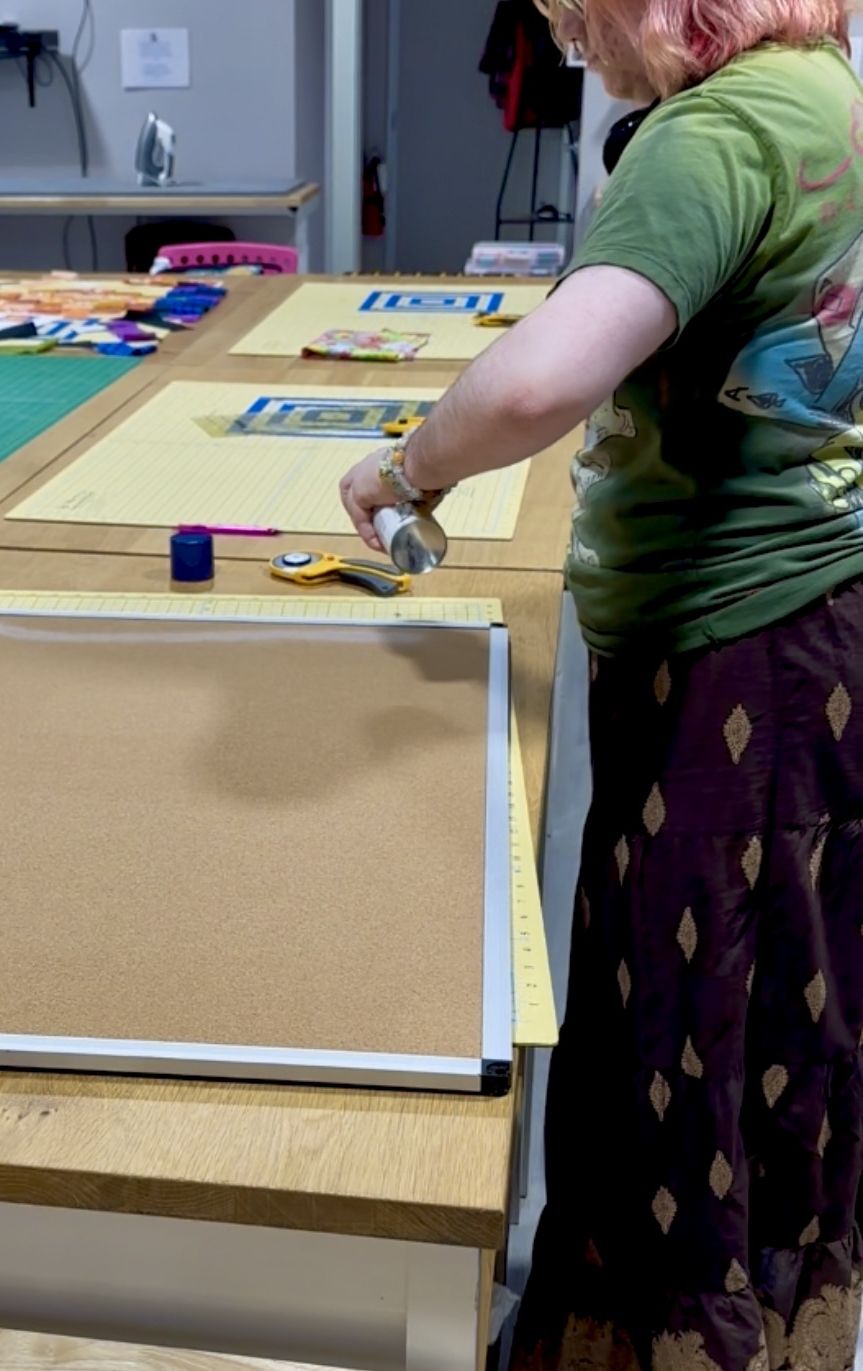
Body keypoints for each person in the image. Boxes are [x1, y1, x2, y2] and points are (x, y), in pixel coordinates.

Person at [339, 1, 863, 1368]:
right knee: (782, 1005)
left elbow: (536, 388)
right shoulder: (823, 87)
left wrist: (402, 469)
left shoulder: (712, 135)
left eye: (579, 15)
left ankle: (680, 1334)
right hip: (816, 625)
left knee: (690, 1024)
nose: (574, 47)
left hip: (733, 653)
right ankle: (771, 1308)